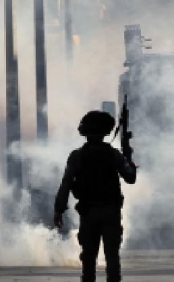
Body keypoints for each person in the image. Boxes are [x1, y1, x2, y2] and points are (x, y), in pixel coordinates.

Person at [54, 111, 138, 282]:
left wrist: (58, 210)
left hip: (88, 212)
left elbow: (66, 184)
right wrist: (128, 155)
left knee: (88, 260)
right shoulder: (113, 155)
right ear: (106, 131)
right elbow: (131, 178)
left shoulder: (77, 156)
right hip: (110, 212)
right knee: (112, 257)